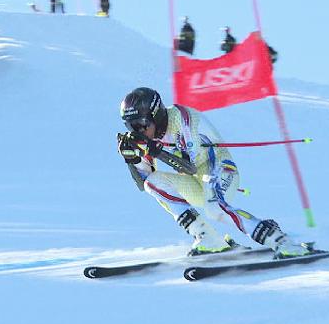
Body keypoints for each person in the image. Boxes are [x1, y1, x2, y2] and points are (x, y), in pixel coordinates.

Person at [116, 87, 310, 257]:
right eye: (130, 126)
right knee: (153, 183)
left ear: (156, 115)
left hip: (220, 169)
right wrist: (131, 160)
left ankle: (278, 239)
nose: (138, 131)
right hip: (197, 181)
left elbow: (190, 166)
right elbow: (143, 183)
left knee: (214, 208)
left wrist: (157, 151)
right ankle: (208, 238)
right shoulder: (147, 137)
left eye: (141, 125)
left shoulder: (182, 119)